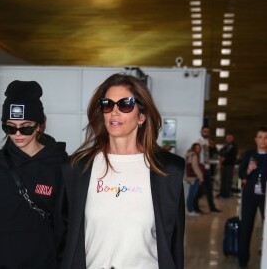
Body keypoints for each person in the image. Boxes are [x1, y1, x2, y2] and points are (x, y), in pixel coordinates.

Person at [58, 73, 185, 269]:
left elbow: (174, 244)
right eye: (107, 104)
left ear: (141, 116)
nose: (114, 112)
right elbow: (63, 237)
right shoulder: (77, 168)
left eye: (125, 105)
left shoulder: (167, 171)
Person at [0, 80, 68, 268]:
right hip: (0, 263)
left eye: (25, 127)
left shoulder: (59, 164)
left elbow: (64, 226)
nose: (18, 134)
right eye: (10, 127)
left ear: (39, 125)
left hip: (44, 263)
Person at [238, 126, 267, 269]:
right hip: (250, 195)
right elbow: (241, 174)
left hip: (265, 197)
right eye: (260, 137)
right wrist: (248, 170)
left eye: (266, 137)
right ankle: (243, 260)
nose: (263, 140)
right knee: (246, 227)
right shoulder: (248, 154)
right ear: (256, 139)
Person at [194, 126, 221, 213]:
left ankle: (212, 207)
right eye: (205, 131)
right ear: (201, 131)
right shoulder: (198, 141)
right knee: (198, 189)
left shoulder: (207, 141)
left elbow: (207, 156)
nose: (206, 133)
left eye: (208, 132)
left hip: (207, 167)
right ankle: (195, 207)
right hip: (201, 168)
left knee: (209, 189)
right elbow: (196, 155)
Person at [185, 143, 204, 217]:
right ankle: (190, 210)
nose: (198, 150)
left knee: (191, 194)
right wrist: (201, 177)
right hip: (194, 177)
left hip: (190, 177)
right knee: (192, 195)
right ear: (193, 148)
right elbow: (195, 167)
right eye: (197, 148)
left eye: (199, 148)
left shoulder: (189, 155)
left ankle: (190, 209)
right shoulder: (194, 155)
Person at [216, 132, 238, 198]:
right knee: (223, 179)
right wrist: (221, 156)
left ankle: (227, 194)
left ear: (233, 138)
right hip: (224, 165)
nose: (228, 139)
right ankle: (222, 193)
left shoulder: (234, 146)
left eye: (230, 138)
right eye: (227, 138)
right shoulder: (226, 145)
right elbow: (220, 151)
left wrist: (224, 158)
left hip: (229, 165)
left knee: (228, 180)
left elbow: (233, 157)